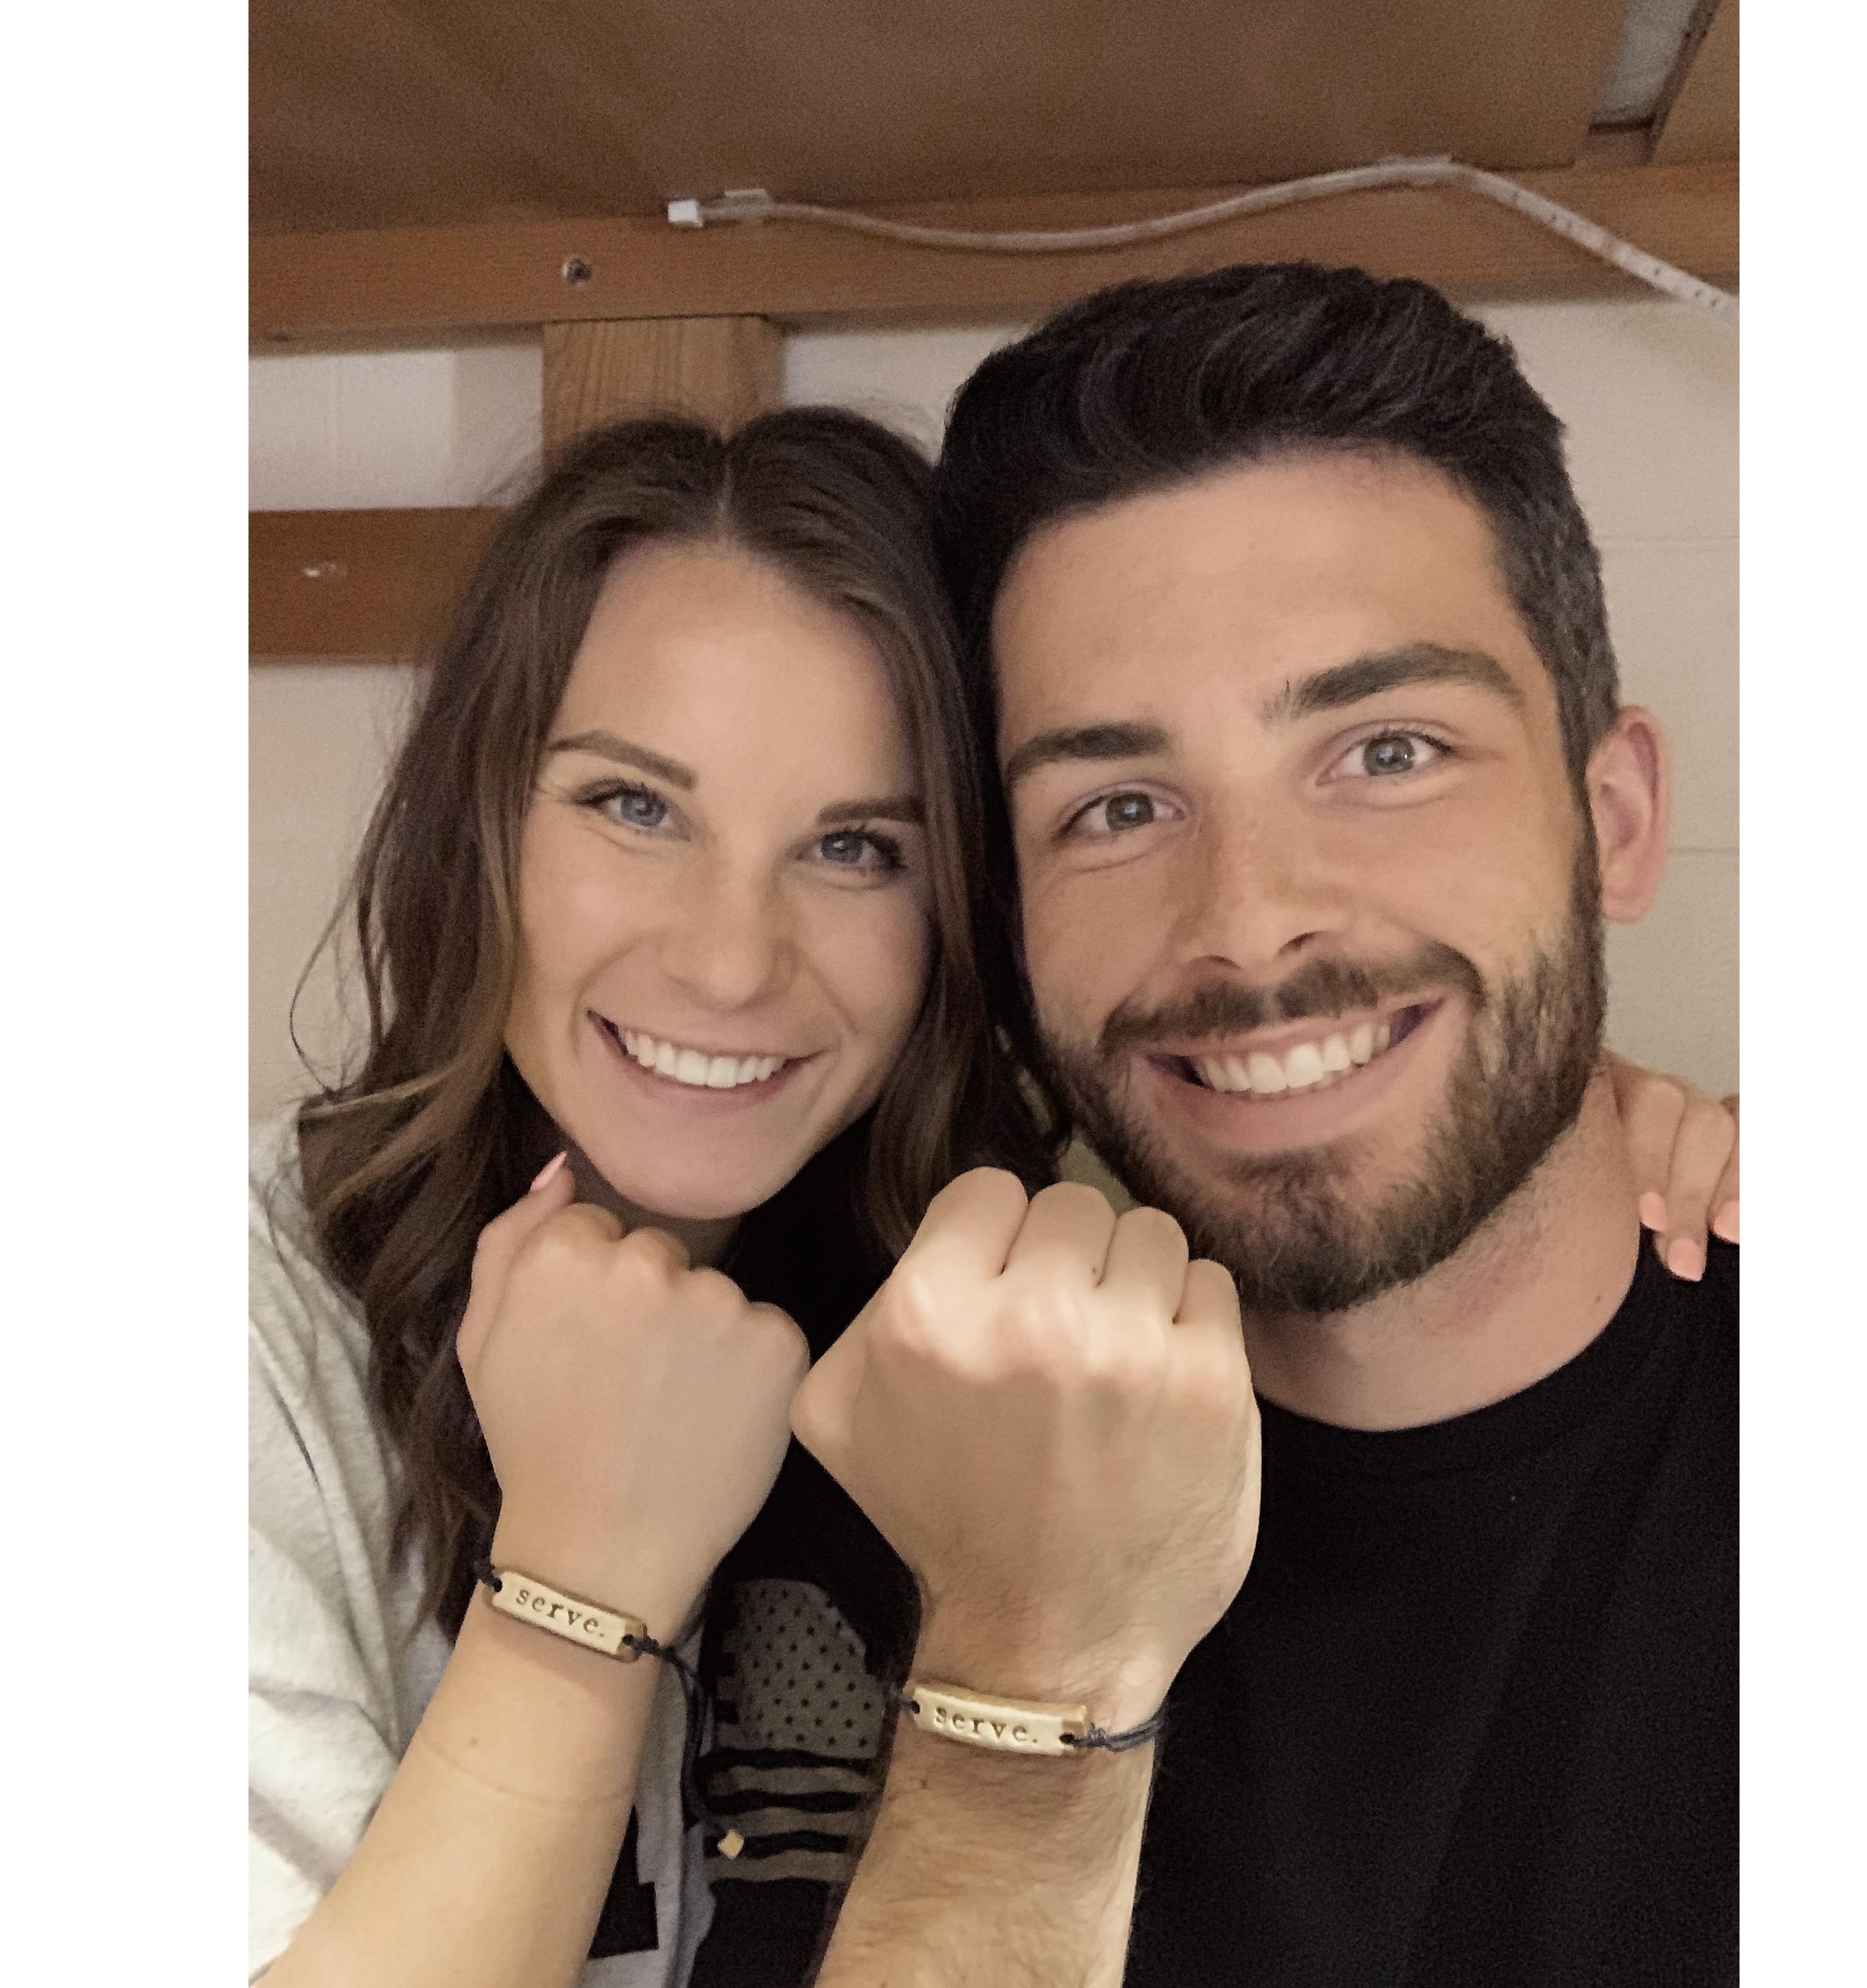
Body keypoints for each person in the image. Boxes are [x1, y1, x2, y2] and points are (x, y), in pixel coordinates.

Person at [250, 389, 1734, 1984]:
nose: (729, 959)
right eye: (632, 803)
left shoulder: (947, 1333)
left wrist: (1546, 1113)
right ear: (473, 824)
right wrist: (575, 1589)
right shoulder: (250, 1347)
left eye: (857, 847)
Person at [783, 261, 1738, 1987]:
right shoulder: (876, 1485)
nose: (1247, 921)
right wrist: (1026, 1675)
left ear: (1611, 821)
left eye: (1386, 752)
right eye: (1116, 805)